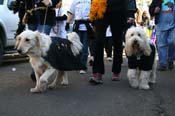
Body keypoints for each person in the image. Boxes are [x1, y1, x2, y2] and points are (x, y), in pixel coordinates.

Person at [88, 0, 128, 84]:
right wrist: (93, 15)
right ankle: (98, 71)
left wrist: (130, 14)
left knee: (117, 42)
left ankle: (116, 71)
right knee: (98, 41)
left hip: (118, 9)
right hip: (100, 8)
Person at [66, 0, 92, 74]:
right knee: (76, 47)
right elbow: (71, 13)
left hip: (87, 26)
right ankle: (77, 64)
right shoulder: (75, 1)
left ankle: (83, 66)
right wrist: (67, 22)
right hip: (77, 26)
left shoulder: (91, 1)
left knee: (84, 47)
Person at [149, 0, 175, 71]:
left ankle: (170, 59)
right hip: (160, 26)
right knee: (161, 45)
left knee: (173, 41)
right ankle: (163, 64)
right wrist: (154, 10)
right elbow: (150, 10)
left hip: (173, 26)